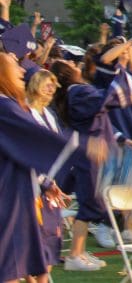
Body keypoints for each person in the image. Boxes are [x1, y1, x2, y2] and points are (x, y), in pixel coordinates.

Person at [0, 52, 95, 283]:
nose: (23, 71)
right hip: (7, 195)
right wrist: (84, 145)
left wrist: (46, 183)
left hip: (17, 191)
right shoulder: (4, 106)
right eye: (15, 66)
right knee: (8, 265)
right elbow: (35, 139)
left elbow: (21, 150)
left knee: (11, 265)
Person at [51, 40, 132, 267]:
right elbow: (106, 100)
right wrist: (126, 52)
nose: (76, 66)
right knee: (89, 204)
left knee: (94, 203)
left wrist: (123, 139)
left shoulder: (80, 92)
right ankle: (75, 254)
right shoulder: (79, 93)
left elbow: (101, 122)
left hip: (97, 153)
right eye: (71, 65)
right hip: (90, 156)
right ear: (66, 75)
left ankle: (80, 252)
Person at [23, 68, 72, 278]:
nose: (52, 88)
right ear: (34, 85)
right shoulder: (23, 113)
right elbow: (26, 153)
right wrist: (45, 182)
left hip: (51, 185)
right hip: (29, 186)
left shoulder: (50, 115)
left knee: (52, 238)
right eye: (47, 83)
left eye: (53, 83)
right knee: (32, 239)